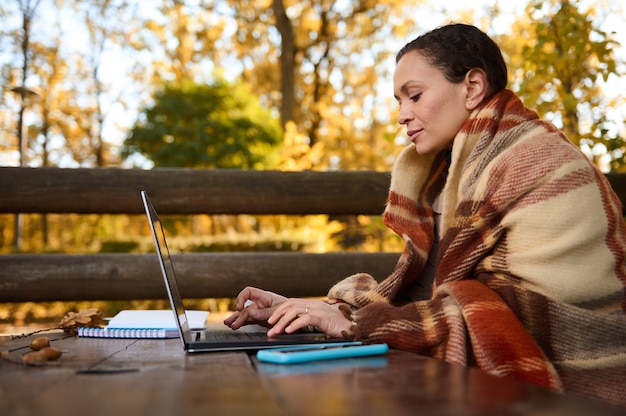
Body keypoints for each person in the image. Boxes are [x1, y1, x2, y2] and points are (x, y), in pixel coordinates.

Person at [225, 23, 626, 407]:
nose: (402, 115)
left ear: (472, 87)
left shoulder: (539, 164)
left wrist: (356, 326)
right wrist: (320, 313)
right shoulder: (452, 172)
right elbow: (426, 297)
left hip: (582, 385)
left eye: (413, 96)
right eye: (399, 101)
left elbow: (517, 316)